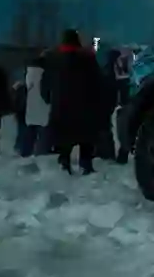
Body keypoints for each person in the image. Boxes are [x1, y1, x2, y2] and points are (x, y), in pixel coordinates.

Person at [43, 29, 107, 175]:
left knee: (64, 137)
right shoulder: (87, 58)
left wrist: (48, 97)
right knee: (86, 137)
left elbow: (45, 82)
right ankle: (85, 164)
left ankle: (64, 162)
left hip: (61, 105)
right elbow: (98, 82)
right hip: (84, 104)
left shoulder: (54, 59)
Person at [19, 52, 51, 158]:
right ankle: (40, 153)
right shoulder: (46, 74)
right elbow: (46, 91)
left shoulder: (29, 73)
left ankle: (25, 152)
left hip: (30, 106)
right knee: (43, 131)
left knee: (30, 129)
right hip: (43, 106)